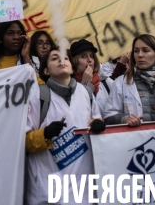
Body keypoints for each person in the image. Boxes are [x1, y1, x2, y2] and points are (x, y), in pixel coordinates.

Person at [24, 48, 105, 205]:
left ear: (72, 67)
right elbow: (23, 140)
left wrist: (97, 125)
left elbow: (97, 119)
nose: (62, 61)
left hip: (84, 189)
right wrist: (44, 134)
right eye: (55, 58)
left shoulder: (85, 93)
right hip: (48, 189)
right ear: (46, 70)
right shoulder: (38, 96)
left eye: (65, 58)